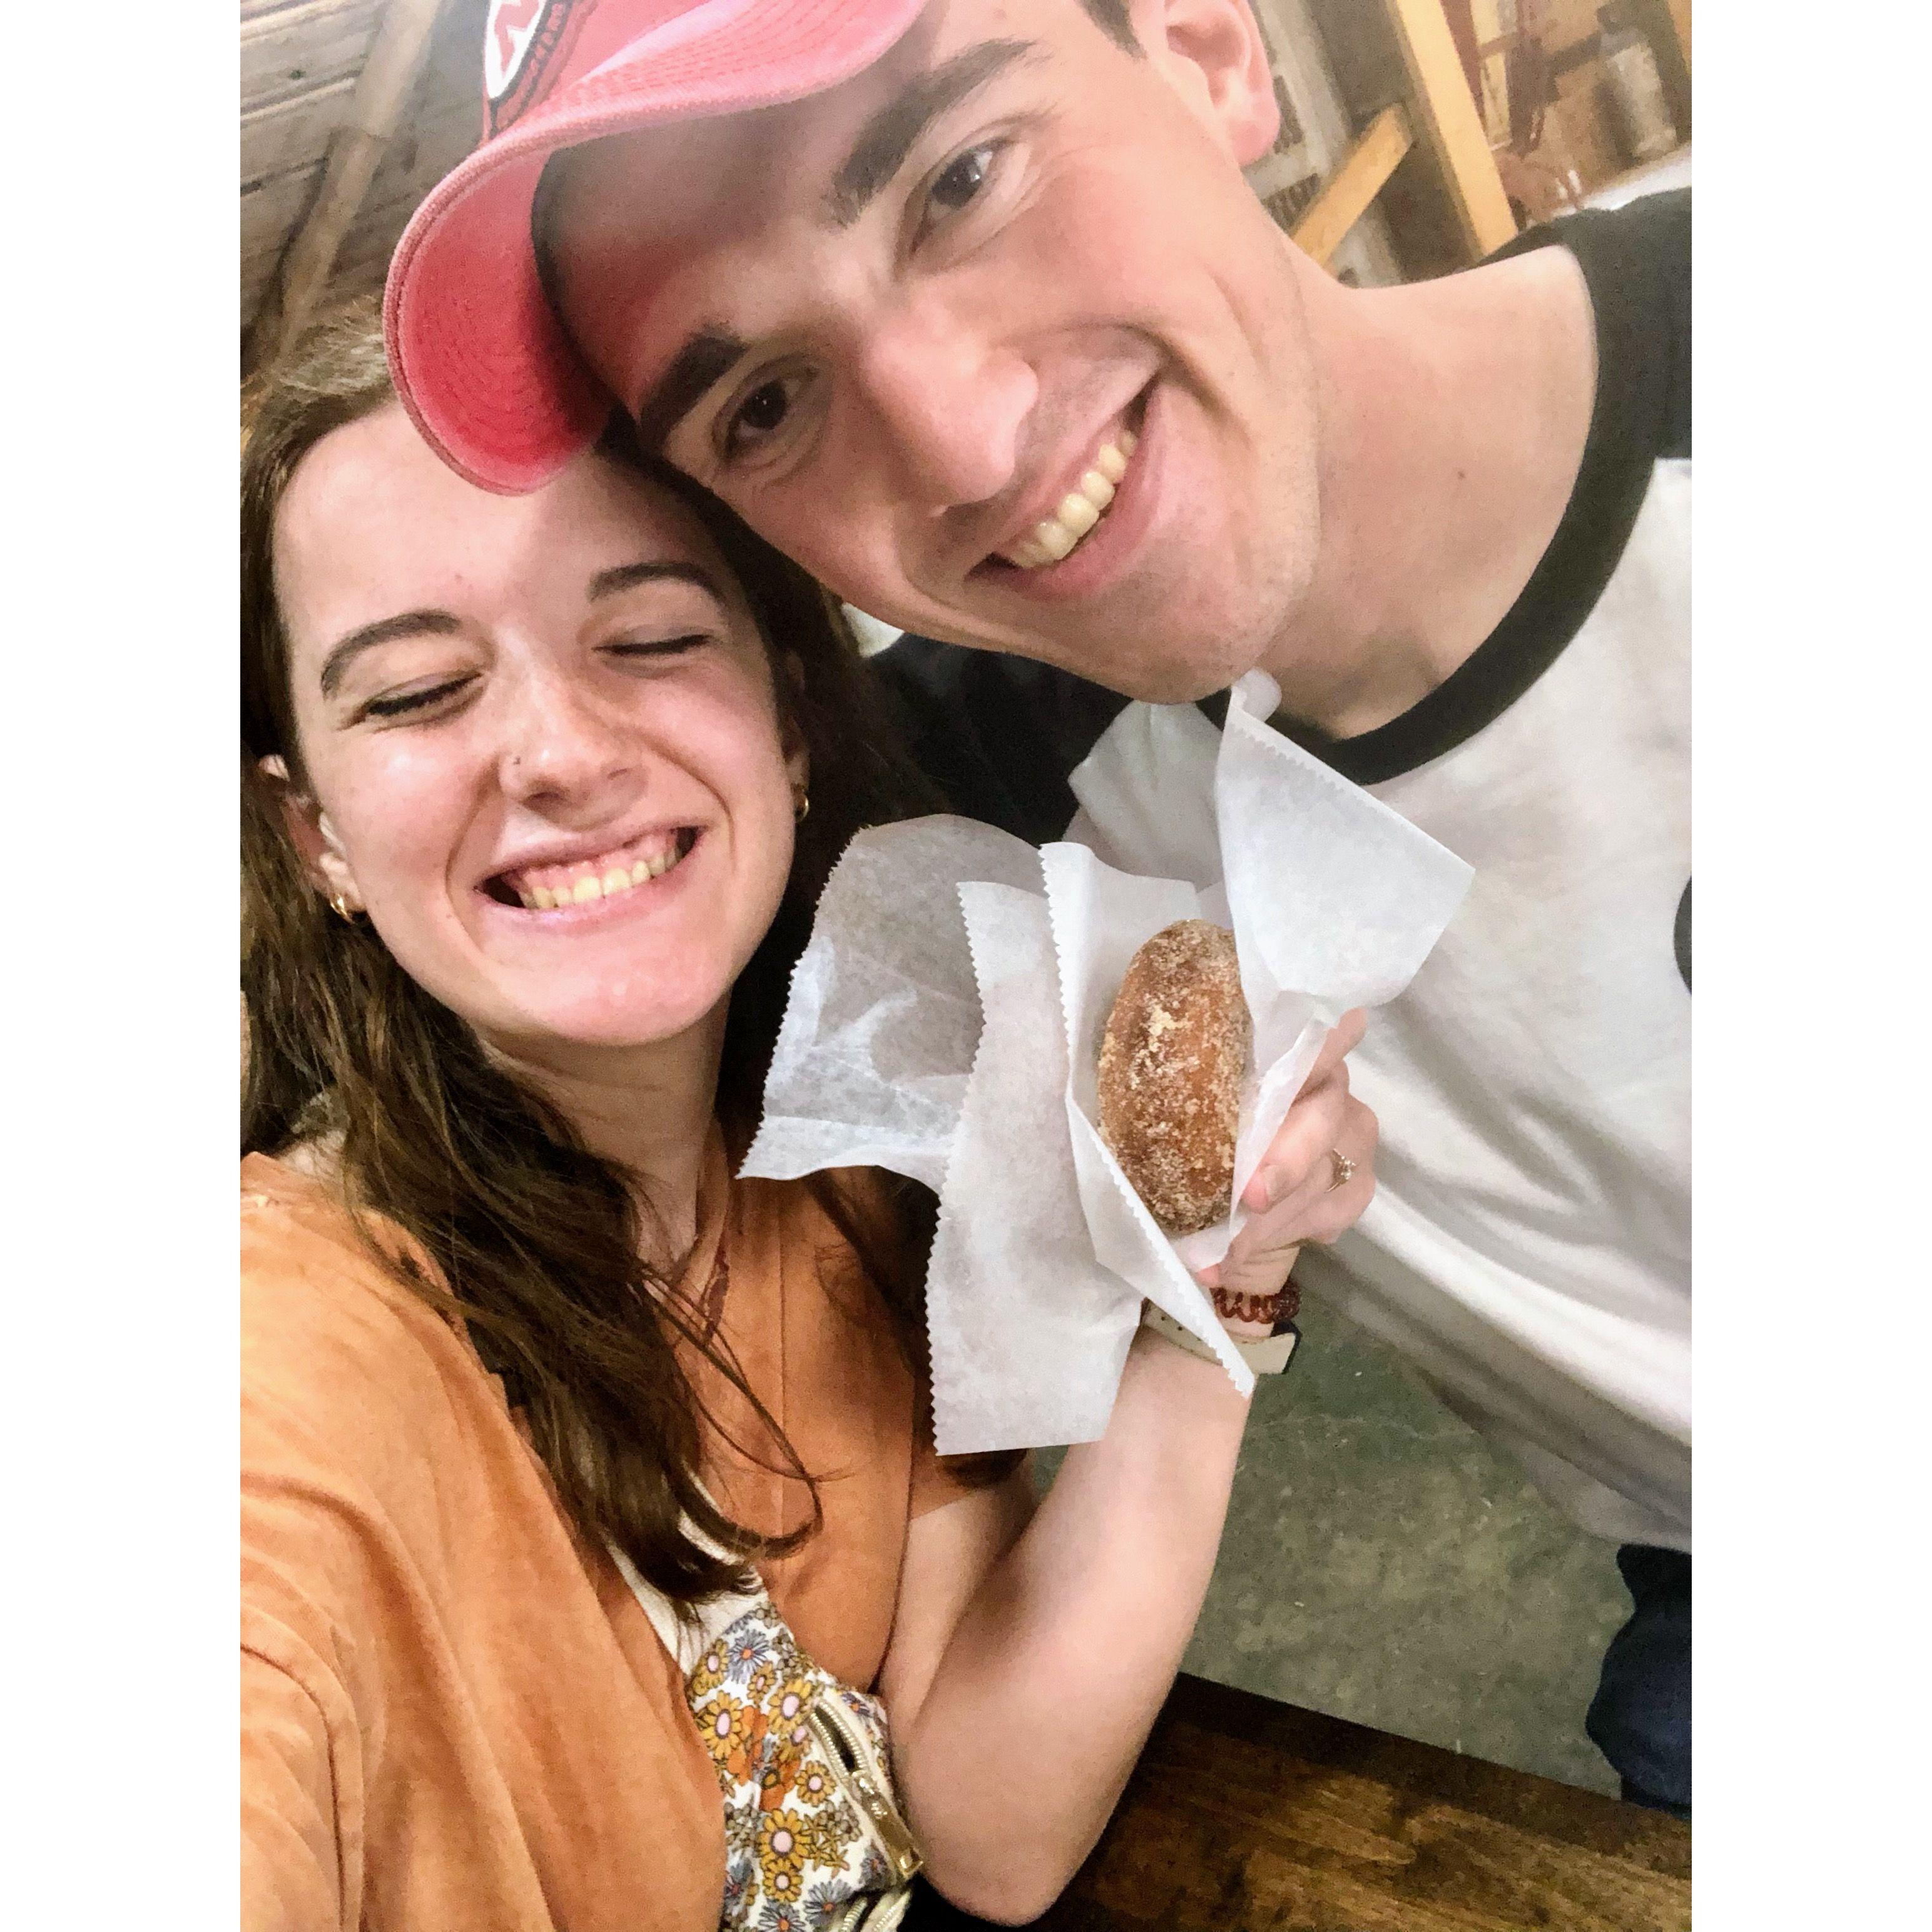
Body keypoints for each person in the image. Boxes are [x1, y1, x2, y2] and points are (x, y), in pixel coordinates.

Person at [379, 0, 1692, 1815]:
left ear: (1209, 48)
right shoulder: (966, 823)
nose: (968, 441)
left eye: (961, 177)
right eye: (765, 403)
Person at [239, 307, 1378, 1930]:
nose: (558, 752)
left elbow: (989, 1818)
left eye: (644, 638)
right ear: (316, 842)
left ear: (784, 715)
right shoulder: (272, 1374)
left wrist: (1224, 1273)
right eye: (418, 692)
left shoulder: (845, 1177)